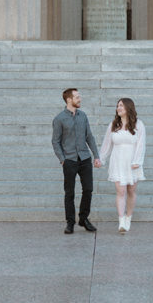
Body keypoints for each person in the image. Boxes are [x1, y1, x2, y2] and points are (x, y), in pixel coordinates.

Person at [51, 88, 101, 234]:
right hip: (70, 160)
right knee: (69, 193)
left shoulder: (83, 116)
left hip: (85, 158)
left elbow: (89, 137)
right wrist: (62, 159)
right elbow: (55, 142)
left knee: (88, 189)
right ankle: (70, 222)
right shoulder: (59, 119)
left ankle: (83, 219)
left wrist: (96, 156)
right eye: (77, 97)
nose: (80, 99)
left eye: (79, 96)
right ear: (69, 100)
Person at [99, 97, 146, 234]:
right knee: (121, 191)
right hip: (118, 161)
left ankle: (128, 217)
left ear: (128, 108)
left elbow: (141, 144)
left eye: (121, 106)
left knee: (131, 191)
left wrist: (137, 161)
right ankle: (121, 222)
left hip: (132, 163)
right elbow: (107, 145)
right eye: (118, 106)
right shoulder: (113, 125)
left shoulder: (139, 124)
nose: (118, 108)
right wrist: (101, 159)